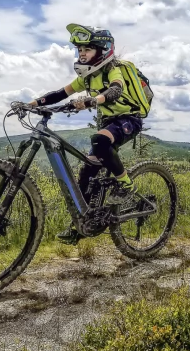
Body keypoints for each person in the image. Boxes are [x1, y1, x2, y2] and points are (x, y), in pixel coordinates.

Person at [20, 23, 145, 244]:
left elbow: (116, 89)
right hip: (109, 121)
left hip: (129, 118)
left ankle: (126, 184)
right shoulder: (86, 77)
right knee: (87, 172)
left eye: (87, 49)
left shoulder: (112, 69)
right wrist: (30, 104)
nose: (82, 54)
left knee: (100, 140)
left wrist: (93, 100)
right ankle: (81, 225)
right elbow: (60, 93)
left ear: (102, 50)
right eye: (79, 50)